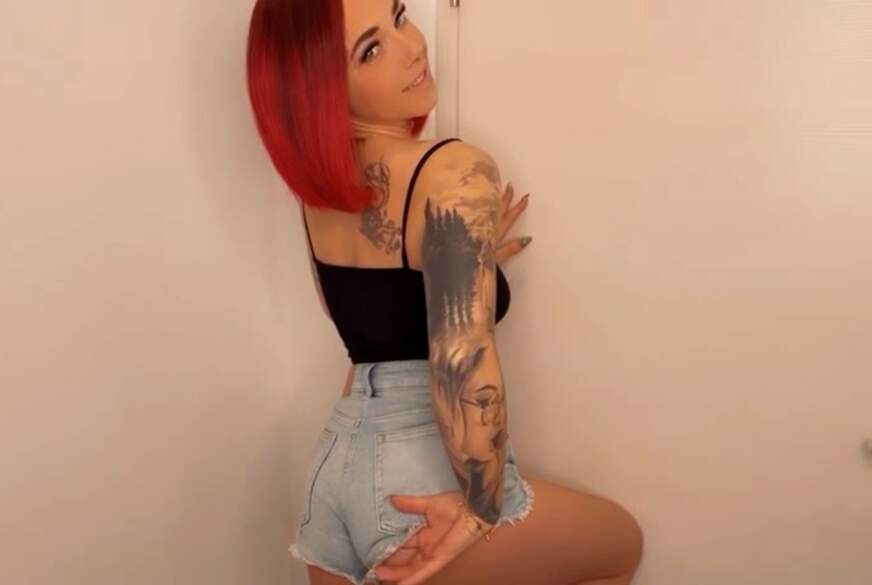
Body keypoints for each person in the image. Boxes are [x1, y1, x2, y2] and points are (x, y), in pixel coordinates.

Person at [246, 1, 644, 583]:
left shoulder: (317, 203)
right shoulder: (452, 167)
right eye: (371, 50)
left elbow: (367, 335)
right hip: (417, 470)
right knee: (619, 546)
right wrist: (481, 509)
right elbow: (462, 359)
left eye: (400, 15)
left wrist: (463, 257)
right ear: (323, 91)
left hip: (334, 474)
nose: (413, 47)